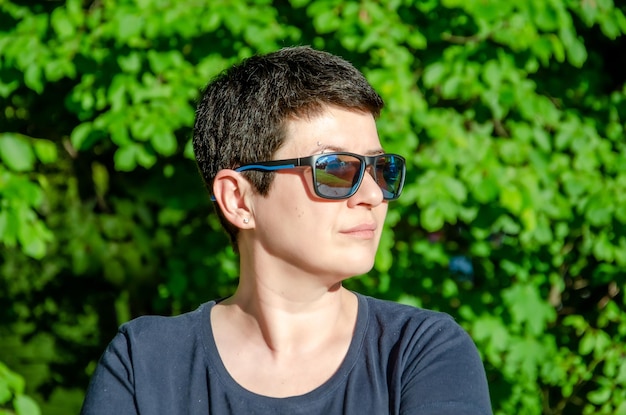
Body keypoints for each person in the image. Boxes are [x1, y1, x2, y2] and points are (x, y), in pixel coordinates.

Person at [80, 46, 492, 414]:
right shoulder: (146, 363)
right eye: (335, 169)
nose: (372, 194)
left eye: (381, 169)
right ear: (239, 201)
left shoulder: (421, 353)